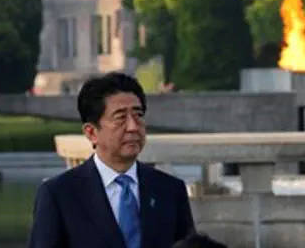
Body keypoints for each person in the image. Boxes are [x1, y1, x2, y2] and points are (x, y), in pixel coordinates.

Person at [28, 72, 195, 248]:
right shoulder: (59, 195)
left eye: (138, 115)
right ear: (92, 133)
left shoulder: (170, 190)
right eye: (121, 118)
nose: (132, 127)